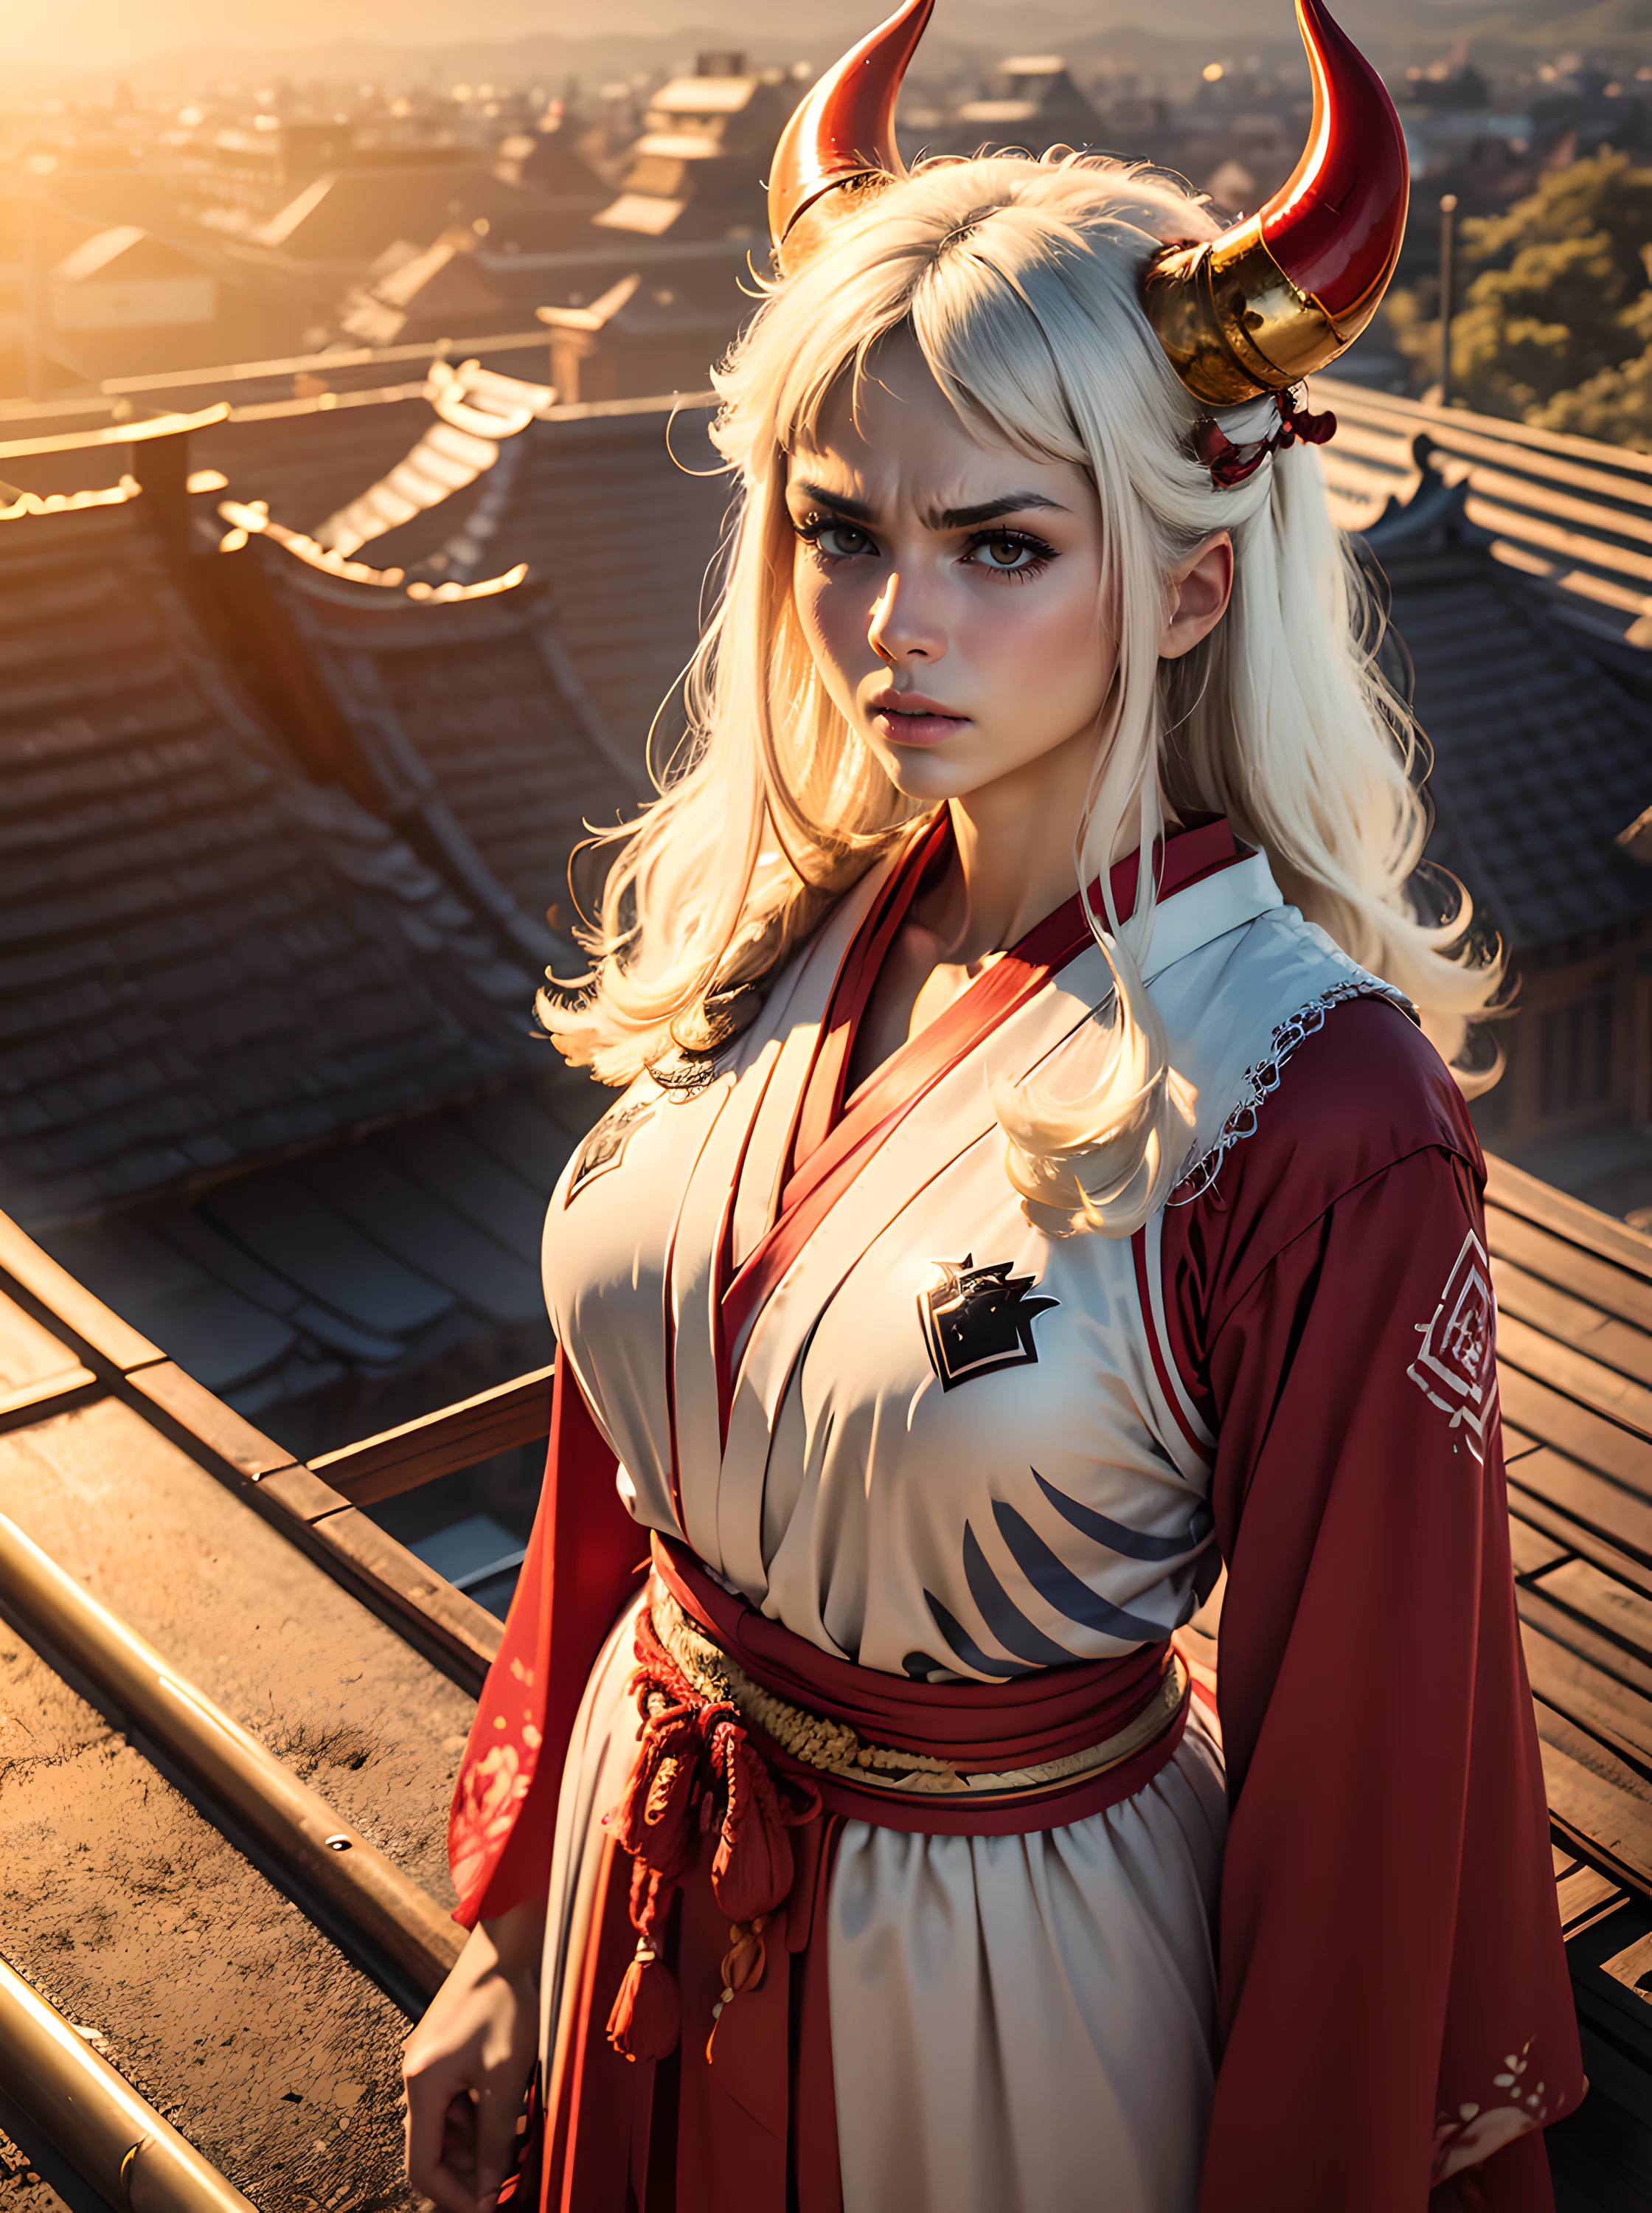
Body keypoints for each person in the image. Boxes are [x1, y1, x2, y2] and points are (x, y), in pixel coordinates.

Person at [403, 2, 1583, 2206]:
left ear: (1195, 577)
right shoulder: (776, 930)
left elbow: (1374, 1783)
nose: (892, 628)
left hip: (1006, 1985)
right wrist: (497, 1928)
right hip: (630, 1896)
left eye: (1004, 546)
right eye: (842, 530)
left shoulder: (1325, 1107)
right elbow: (612, 1487)